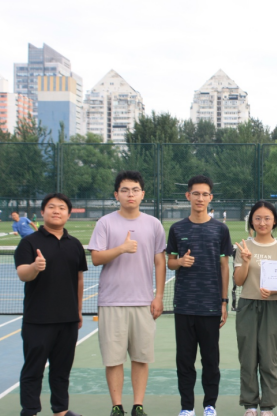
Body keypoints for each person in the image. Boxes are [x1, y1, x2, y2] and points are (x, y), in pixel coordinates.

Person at [88, 171, 167, 416]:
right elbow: (96, 258)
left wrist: (158, 296)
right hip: (111, 301)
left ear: (142, 194)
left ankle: (138, 405)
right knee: (113, 359)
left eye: (135, 190)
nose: (130, 194)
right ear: (116, 195)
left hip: (143, 302)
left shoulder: (154, 224)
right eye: (124, 190)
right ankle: (117, 406)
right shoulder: (105, 223)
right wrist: (121, 248)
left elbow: (160, 262)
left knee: (141, 357)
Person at [14, 193, 86, 416]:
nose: (57, 211)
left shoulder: (75, 244)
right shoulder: (29, 243)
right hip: (38, 319)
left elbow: (79, 279)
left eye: (62, 208)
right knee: (33, 370)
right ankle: (30, 410)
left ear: (68, 214)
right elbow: (23, 274)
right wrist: (35, 267)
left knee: (61, 370)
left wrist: (78, 311)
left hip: (68, 320)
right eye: (52, 207)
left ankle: (61, 411)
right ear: (42, 212)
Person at [167, 175, 233, 416]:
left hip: (210, 306)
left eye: (205, 194)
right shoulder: (177, 228)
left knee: (210, 361)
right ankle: (187, 407)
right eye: (196, 194)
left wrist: (224, 302)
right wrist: (180, 262)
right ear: (188, 196)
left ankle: (209, 405)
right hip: (184, 305)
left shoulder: (220, 229)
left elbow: (224, 266)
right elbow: (170, 262)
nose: (200, 198)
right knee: (184, 361)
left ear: (210, 198)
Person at [233, 200, 277, 416]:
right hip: (247, 305)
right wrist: (246, 261)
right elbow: (238, 281)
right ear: (251, 221)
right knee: (247, 358)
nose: (262, 223)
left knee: (269, 358)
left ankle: (267, 406)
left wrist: (273, 291)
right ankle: (250, 405)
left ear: (274, 221)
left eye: (267, 218)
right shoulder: (244, 247)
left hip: (272, 307)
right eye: (257, 218)